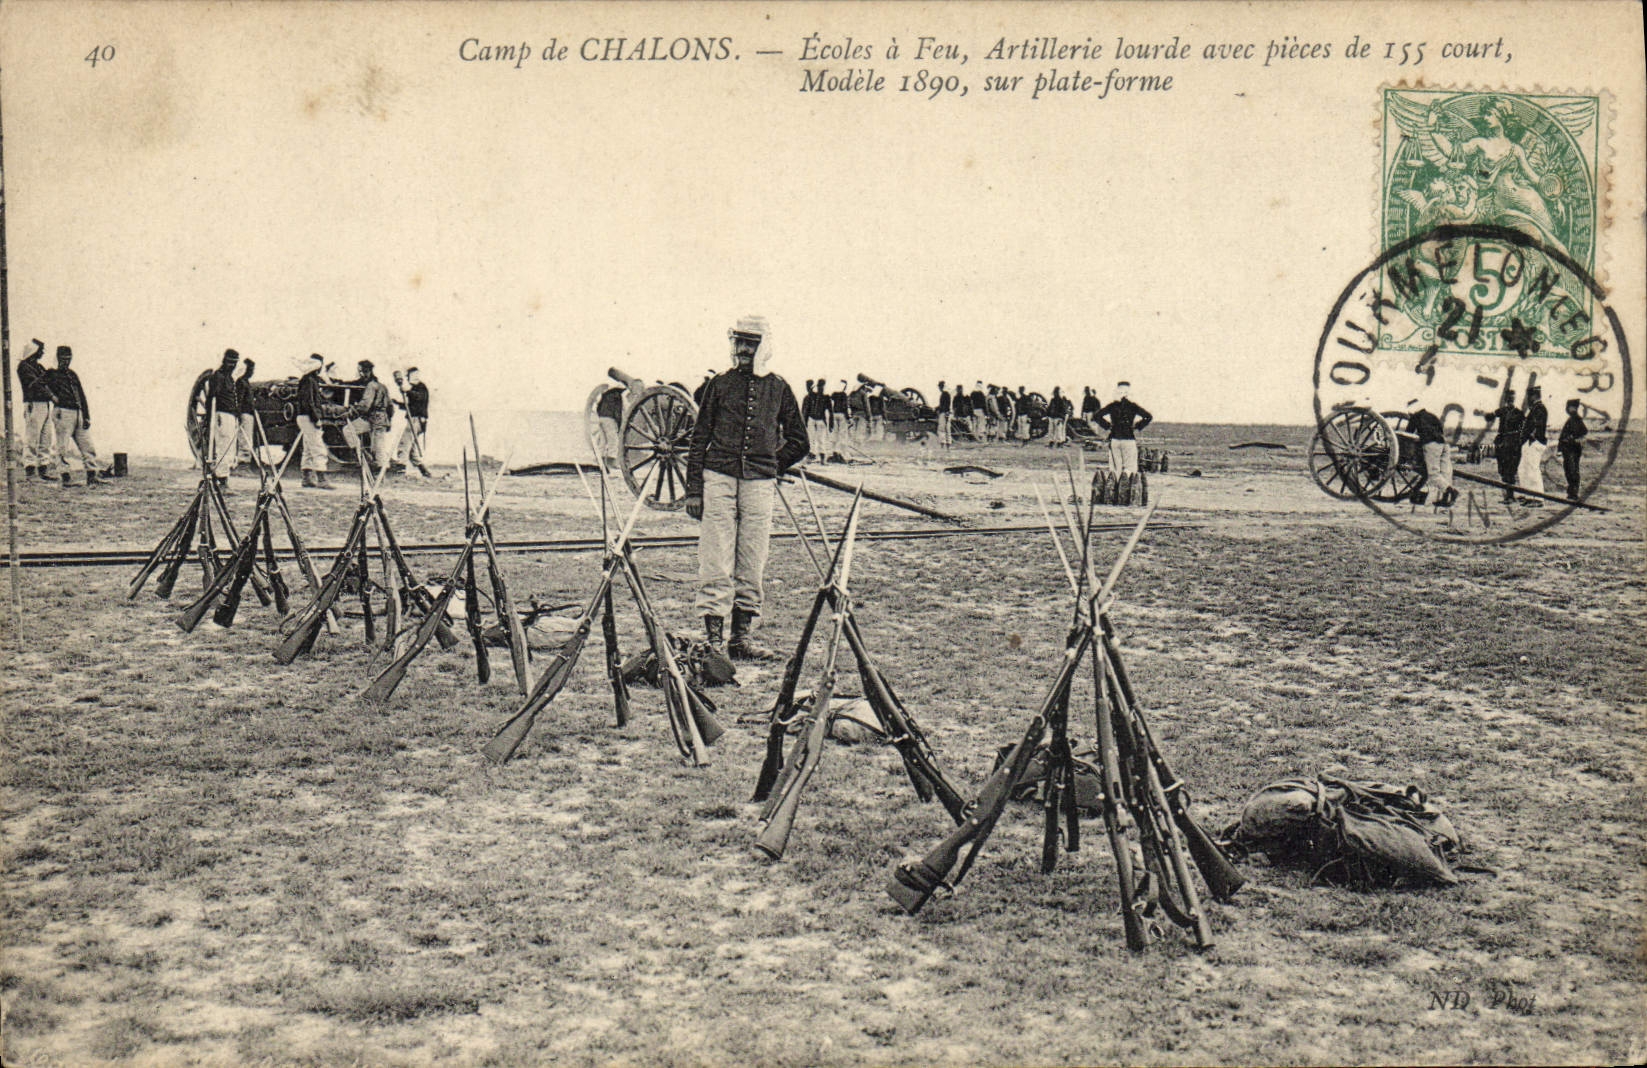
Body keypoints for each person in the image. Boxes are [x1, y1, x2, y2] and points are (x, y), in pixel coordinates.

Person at [683, 316, 808, 661]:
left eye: (750, 344)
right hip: (718, 479)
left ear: (764, 346)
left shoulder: (779, 388)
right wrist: (694, 490)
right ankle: (713, 641)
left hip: (759, 485)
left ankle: (740, 639)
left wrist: (771, 465)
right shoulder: (719, 385)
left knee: (753, 557)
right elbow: (698, 440)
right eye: (739, 342)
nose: (743, 350)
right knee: (715, 557)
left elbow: (800, 441)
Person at [44, 346, 102, 487]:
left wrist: (86, 416)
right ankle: (65, 477)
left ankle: (91, 475)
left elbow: (82, 396)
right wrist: (52, 397)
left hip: (78, 412)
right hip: (63, 412)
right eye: (63, 359)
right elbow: (39, 385)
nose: (66, 362)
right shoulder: (51, 373)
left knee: (87, 445)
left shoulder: (73, 374)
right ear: (58, 358)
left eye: (69, 359)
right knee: (62, 446)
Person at [343, 360, 394, 475]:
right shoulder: (382, 386)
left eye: (361, 371)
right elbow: (390, 407)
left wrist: (351, 412)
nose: (360, 374)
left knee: (349, 430)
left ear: (365, 372)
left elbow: (365, 406)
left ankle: (376, 467)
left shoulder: (371, 386)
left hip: (373, 418)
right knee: (378, 443)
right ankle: (370, 460)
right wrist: (389, 421)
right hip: (381, 418)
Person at [17, 338, 57, 481]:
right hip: (34, 404)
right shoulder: (24, 366)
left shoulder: (38, 367)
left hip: (44, 404)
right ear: (34, 351)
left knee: (45, 438)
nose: (42, 353)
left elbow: (48, 381)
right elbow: (35, 385)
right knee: (32, 437)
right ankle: (30, 471)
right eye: (40, 350)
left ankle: (43, 469)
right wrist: (51, 394)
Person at [295, 354, 336, 490]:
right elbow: (309, 402)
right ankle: (321, 479)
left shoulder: (307, 380)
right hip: (308, 416)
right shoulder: (310, 381)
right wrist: (316, 418)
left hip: (304, 416)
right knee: (318, 447)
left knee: (308, 447)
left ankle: (306, 477)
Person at [203, 349, 242, 487]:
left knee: (230, 446)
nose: (232, 366)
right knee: (224, 446)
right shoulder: (218, 376)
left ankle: (222, 475)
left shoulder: (229, 378)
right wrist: (210, 418)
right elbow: (212, 397)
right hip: (222, 414)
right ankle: (221, 477)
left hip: (231, 415)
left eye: (234, 363)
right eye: (230, 362)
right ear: (224, 361)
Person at [1096, 381, 1152, 477]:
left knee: (1115, 469)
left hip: (1115, 438)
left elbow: (1097, 416)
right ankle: (1128, 489)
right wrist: (1137, 426)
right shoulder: (1133, 406)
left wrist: (1108, 426)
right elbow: (1148, 416)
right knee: (1130, 468)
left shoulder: (1112, 406)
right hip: (1129, 438)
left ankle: (1116, 489)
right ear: (1128, 392)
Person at [1407, 401, 1455, 507]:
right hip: (1444, 444)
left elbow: (1408, 434)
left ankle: (1452, 492)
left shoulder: (1415, 417)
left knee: (1433, 474)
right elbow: (1441, 430)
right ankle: (1446, 499)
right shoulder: (1432, 416)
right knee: (1444, 472)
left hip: (1431, 445)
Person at [1484, 389, 1524, 503]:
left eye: (1512, 398)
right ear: (1506, 400)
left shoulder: (1518, 413)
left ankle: (1510, 496)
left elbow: (1525, 427)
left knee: (1510, 470)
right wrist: (1488, 414)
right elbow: (1489, 417)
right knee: (1503, 469)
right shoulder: (1502, 411)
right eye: (1509, 398)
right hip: (1502, 443)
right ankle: (1508, 495)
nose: (1510, 401)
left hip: (1512, 443)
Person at [397, 367, 433, 478]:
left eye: (408, 376)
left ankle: (400, 469)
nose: (407, 378)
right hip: (416, 420)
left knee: (404, 443)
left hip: (416, 420)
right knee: (412, 449)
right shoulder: (415, 388)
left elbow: (419, 397)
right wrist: (398, 403)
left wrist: (407, 391)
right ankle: (424, 471)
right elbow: (412, 406)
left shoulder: (421, 388)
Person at [1518, 384, 1549, 503]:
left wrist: (1532, 436)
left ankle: (1538, 498)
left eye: (1529, 396)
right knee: (1523, 468)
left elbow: (1537, 425)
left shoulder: (1540, 408)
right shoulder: (1536, 408)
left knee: (1532, 469)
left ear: (1534, 396)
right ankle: (1528, 495)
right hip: (1529, 442)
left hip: (1534, 442)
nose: (1527, 398)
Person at [1557, 398, 1587, 500]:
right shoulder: (1572, 419)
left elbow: (1583, 432)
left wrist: (1573, 439)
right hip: (1569, 449)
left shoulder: (1576, 419)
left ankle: (1573, 492)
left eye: (1570, 407)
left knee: (1572, 470)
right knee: (1570, 470)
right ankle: (1572, 492)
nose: (1569, 409)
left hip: (1572, 450)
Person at [232, 358, 258, 469]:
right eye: (251, 369)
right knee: (245, 439)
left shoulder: (245, 382)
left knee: (247, 439)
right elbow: (239, 399)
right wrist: (238, 415)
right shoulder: (241, 382)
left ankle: (245, 462)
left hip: (249, 414)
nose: (252, 372)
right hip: (245, 414)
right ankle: (242, 464)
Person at [801, 379, 829, 462]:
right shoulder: (813, 397)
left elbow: (805, 411)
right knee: (817, 438)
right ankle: (818, 456)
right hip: (815, 419)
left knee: (816, 438)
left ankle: (817, 456)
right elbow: (805, 411)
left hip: (815, 419)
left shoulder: (811, 397)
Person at [827, 380, 851, 463]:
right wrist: (848, 418)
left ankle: (834, 451)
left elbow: (831, 405)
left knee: (835, 434)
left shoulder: (833, 394)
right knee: (842, 435)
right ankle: (840, 453)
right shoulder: (844, 395)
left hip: (834, 414)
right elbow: (845, 407)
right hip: (841, 415)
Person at [935, 381, 953, 449]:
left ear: (941, 387)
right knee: (948, 429)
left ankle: (942, 445)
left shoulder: (944, 394)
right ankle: (948, 445)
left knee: (941, 429)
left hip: (944, 413)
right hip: (948, 413)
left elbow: (945, 405)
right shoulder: (947, 393)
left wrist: (938, 409)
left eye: (939, 387)